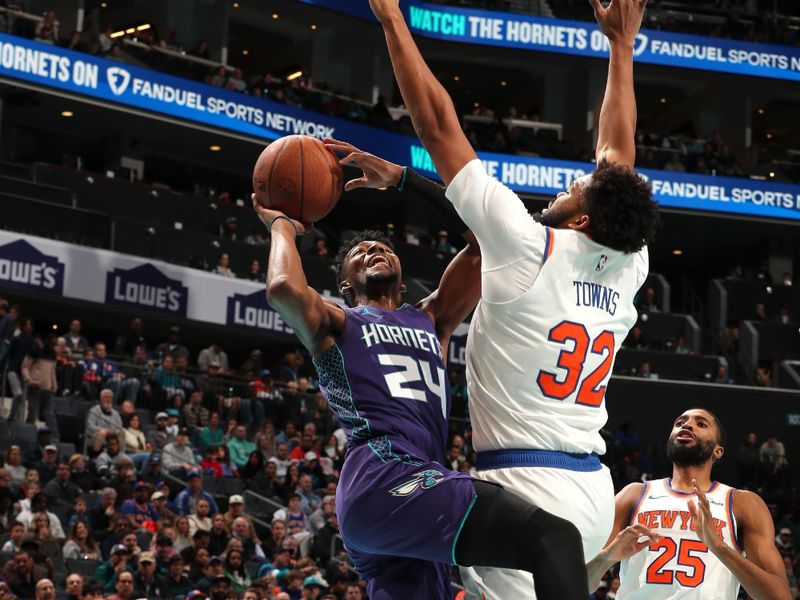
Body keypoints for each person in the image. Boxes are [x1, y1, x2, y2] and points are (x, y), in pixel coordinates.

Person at [362, 0, 658, 597]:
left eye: (575, 187)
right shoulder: (631, 261)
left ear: (581, 220)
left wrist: (391, 16)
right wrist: (620, 49)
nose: (569, 183)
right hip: (590, 490)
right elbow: (617, 162)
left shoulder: (527, 245)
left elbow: (438, 125)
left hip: (526, 489)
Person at [256, 91, 585, 600]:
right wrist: (282, 224)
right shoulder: (338, 323)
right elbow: (282, 289)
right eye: (359, 253)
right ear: (345, 285)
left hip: (415, 492)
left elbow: (487, 239)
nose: (373, 249)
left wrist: (405, 179)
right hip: (383, 475)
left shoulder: (432, 317)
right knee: (551, 535)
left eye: (381, 246)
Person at [586, 408, 790, 600]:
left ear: (718, 451)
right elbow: (581, 583)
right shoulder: (634, 494)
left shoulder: (741, 503)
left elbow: (779, 596)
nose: (687, 425)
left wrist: (718, 546)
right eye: (680, 423)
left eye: (701, 424)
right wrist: (605, 559)